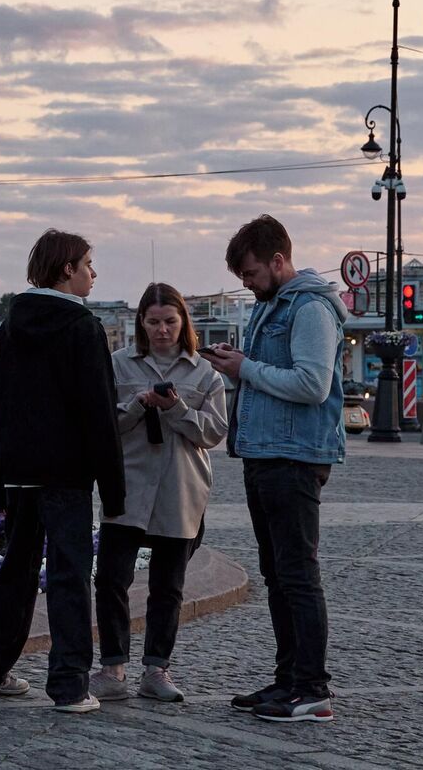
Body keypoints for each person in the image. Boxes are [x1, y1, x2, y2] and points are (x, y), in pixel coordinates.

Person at [0, 229, 124, 713]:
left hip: (18, 473)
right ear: (66, 270)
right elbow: (98, 410)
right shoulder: (82, 327)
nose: (93, 274)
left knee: (15, 573)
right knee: (69, 575)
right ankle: (70, 685)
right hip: (65, 474)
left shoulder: (10, 326)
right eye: (88, 265)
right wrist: (114, 490)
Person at [204, 215, 345, 725]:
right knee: (278, 574)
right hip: (266, 453)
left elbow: (312, 383)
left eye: (251, 272)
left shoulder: (309, 308)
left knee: (298, 575)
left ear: (278, 261)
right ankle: (288, 679)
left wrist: (244, 369)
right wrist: (239, 362)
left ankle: (311, 688)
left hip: (294, 456)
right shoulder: (274, 306)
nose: (247, 282)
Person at [94, 282, 227, 704]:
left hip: (180, 488)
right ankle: (112, 668)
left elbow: (215, 432)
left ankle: (157, 668)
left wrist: (177, 409)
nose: (162, 330)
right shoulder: (117, 366)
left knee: (168, 586)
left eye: (170, 321)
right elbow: (104, 428)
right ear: (141, 323)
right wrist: (137, 405)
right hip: (129, 486)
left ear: (184, 322)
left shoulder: (205, 374)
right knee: (111, 579)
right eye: (153, 322)